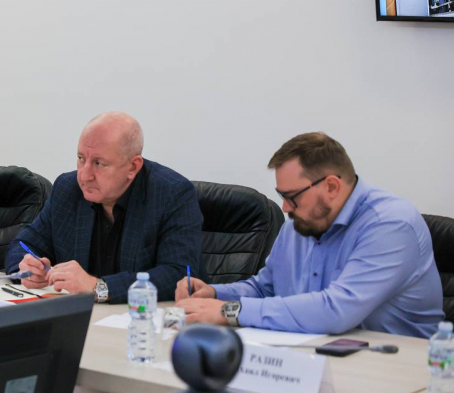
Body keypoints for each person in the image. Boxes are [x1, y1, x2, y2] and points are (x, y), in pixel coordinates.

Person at [176, 132, 444, 338]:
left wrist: (230, 311)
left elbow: (337, 310)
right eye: (282, 196)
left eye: (292, 196)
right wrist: (214, 293)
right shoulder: (301, 222)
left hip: (399, 369)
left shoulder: (390, 225)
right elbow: (265, 288)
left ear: (331, 187)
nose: (285, 207)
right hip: (317, 354)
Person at [4, 112, 203, 304]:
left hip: (144, 318)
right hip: (80, 316)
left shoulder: (171, 194)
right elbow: (23, 244)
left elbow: (179, 275)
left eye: (98, 163)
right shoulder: (68, 189)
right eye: (81, 158)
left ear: (133, 167)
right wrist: (28, 267)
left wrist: (99, 287)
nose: (84, 175)